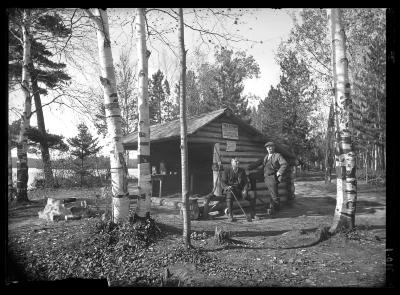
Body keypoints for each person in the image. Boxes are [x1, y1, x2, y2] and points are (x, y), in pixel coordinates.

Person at [248, 141, 288, 215]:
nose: (269, 148)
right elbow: (257, 163)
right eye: (267, 147)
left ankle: (276, 210)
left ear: (273, 147)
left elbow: (284, 164)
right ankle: (253, 191)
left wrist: (279, 172)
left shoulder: (277, 155)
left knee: (274, 195)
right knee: (251, 175)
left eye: (271, 146)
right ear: (266, 149)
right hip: (263, 175)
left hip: (271, 177)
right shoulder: (265, 157)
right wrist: (248, 168)